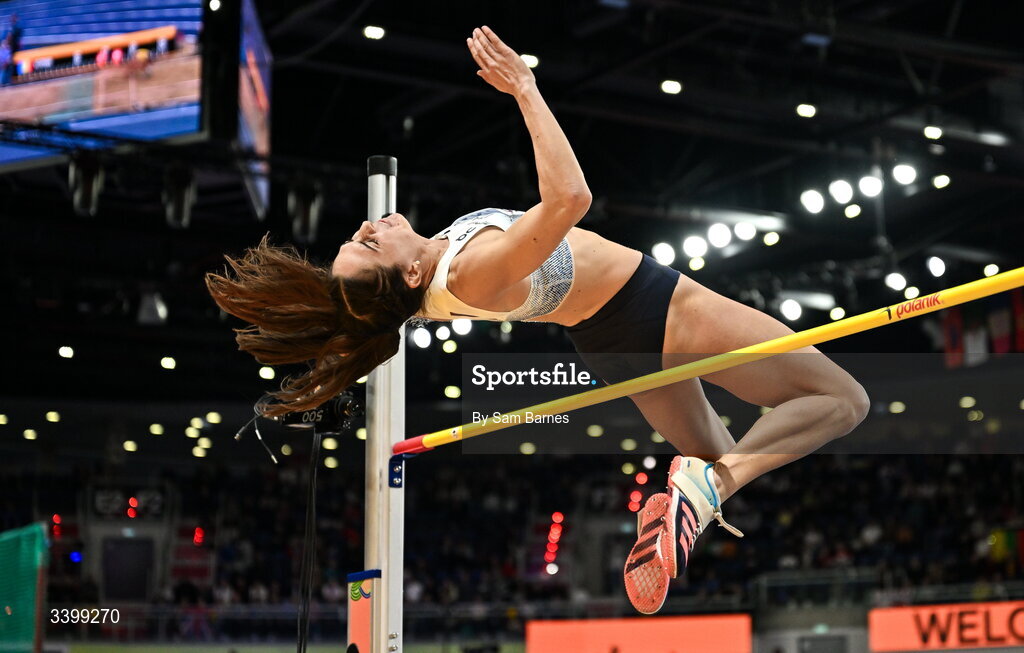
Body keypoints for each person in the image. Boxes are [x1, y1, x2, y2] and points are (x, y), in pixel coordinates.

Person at [206, 26, 869, 615]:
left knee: (717, 461)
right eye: (370, 242)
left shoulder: (431, 269)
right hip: (656, 305)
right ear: (406, 274)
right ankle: (707, 486)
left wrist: (335, 302)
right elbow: (571, 197)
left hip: (609, 342)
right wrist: (525, 88)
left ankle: (699, 491)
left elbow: (370, 295)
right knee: (841, 399)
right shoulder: (467, 272)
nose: (368, 224)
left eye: (357, 234)